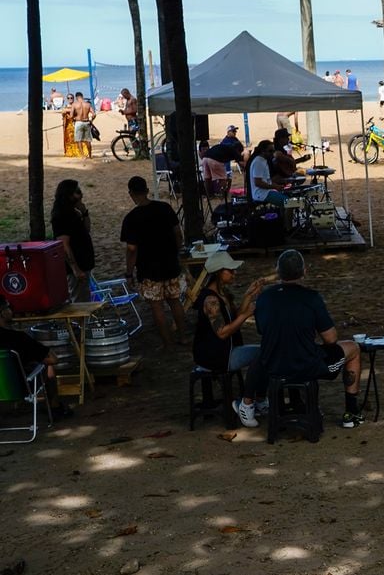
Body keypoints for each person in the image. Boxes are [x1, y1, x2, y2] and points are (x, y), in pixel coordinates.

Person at [248, 249, 363, 429]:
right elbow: (331, 339)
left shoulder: (264, 298)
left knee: (293, 346)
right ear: (304, 272)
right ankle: (352, 411)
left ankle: (296, 404)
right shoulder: (312, 298)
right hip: (305, 363)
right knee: (353, 348)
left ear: (278, 272)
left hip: (273, 363)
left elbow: (262, 330)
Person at [193, 251, 267, 425]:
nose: (234, 273)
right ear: (219, 272)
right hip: (217, 354)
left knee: (266, 352)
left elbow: (235, 315)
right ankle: (251, 401)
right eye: (230, 271)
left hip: (226, 350)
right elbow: (223, 332)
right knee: (264, 353)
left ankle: (259, 400)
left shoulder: (222, 294)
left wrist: (249, 295)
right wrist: (247, 315)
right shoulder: (210, 299)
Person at [120, 176, 186, 349]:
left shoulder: (131, 218)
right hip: (170, 263)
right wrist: (177, 252)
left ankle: (168, 343)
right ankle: (183, 336)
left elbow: (132, 249)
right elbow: (178, 233)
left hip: (148, 268)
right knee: (175, 301)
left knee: (157, 307)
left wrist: (129, 272)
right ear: (147, 190)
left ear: (131, 193)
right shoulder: (164, 208)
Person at [0, 295, 65, 413]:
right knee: (47, 365)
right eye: (9, 307)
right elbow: (54, 359)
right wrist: (41, 347)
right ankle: (55, 407)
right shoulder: (19, 338)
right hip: (19, 386)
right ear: (3, 313)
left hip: (3, 387)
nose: (11, 310)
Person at [50, 179, 94, 303]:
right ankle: (80, 323)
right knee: (80, 301)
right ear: (68, 195)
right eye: (77, 192)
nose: (81, 195)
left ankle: (83, 323)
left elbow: (87, 229)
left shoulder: (74, 212)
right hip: (77, 265)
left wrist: (84, 213)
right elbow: (64, 245)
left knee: (84, 297)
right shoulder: (62, 215)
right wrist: (75, 269)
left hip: (84, 263)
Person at [247, 140, 287, 207]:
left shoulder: (263, 160)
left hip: (266, 192)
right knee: (288, 202)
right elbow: (258, 183)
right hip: (261, 194)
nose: (272, 153)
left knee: (288, 200)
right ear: (263, 151)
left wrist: (278, 184)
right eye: (270, 151)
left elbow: (267, 181)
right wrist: (275, 186)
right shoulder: (258, 162)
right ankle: (287, 217)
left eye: (273, 151)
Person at [71, 92, 95, 158]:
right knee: (88, 140)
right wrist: (91, 120)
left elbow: (71, 115)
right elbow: (94, 114)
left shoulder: (74, 104)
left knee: (79, 140)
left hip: (78, 122)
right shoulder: (88, 104)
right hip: (86, 122)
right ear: (82, 96)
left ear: (76, 97)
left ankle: (83, 155)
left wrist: (74, 118)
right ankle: (90, 155)